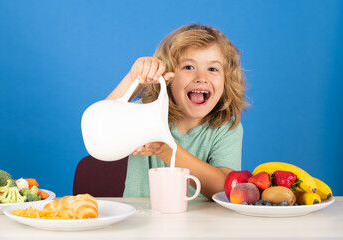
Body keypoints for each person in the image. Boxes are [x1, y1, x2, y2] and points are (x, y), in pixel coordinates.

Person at [106, 24, 248, 199]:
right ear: (168, 76)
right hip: (141, 222)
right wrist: (136, 79)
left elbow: (225, 188)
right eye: (188, 67)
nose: (201, 78)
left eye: (212, 69)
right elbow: (100, 128)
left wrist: (166, 149)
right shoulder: (145, 114)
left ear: (226, 80)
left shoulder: (226, 128)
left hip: (204, 224)